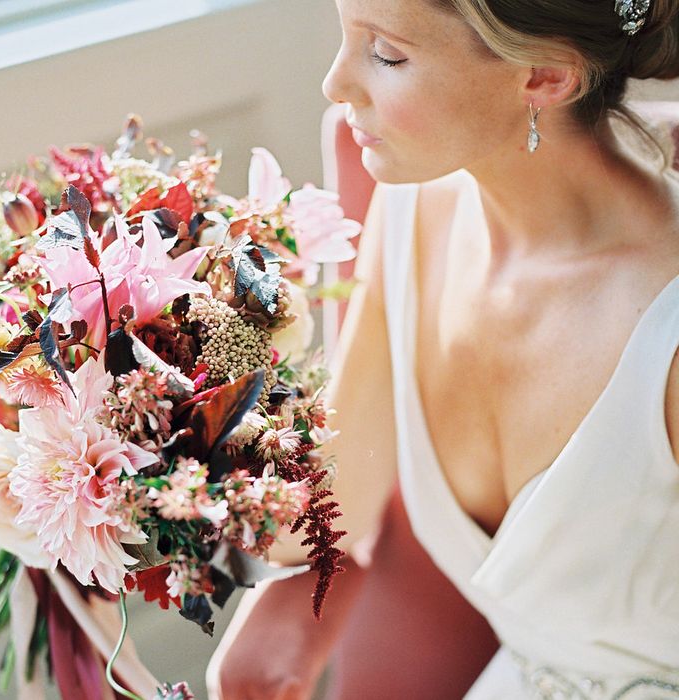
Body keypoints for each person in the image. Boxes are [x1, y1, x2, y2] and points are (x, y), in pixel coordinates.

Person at [207, 0, 679, 697]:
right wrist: (146, 430)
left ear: (545, 74)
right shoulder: (413, 213)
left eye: (387, 54)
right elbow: (327, 511)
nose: (335, 84)